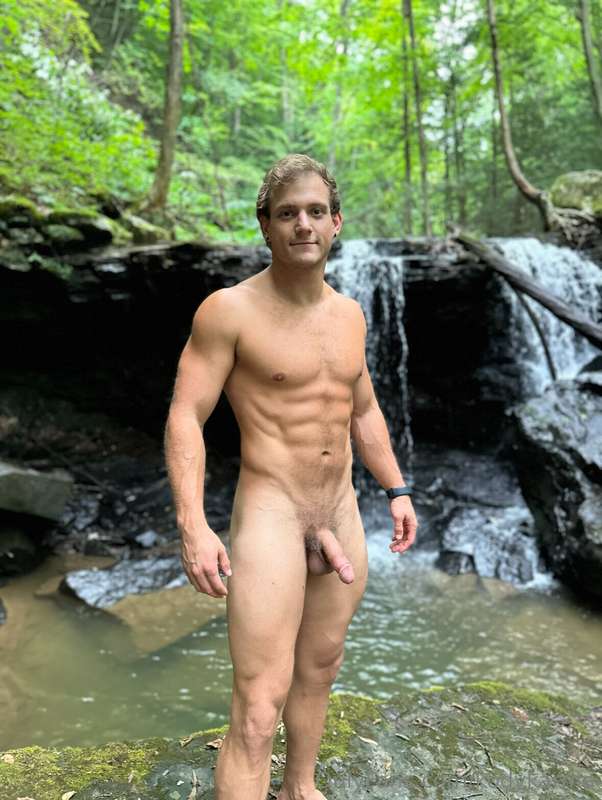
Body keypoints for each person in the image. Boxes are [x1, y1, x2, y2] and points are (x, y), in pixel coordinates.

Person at [164, 153, 418, 800]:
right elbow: (186, 416)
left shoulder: (351, 314)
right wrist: (193, 526)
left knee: (321, 668)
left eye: (314, 211)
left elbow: (363, 409)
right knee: (258, 705)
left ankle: (299, 787)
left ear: (336, 223)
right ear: (266, 226)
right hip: (271, 515)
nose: (302, 224)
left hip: (341, 512)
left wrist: (396, 489)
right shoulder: (229, 311)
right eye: (287, 214)